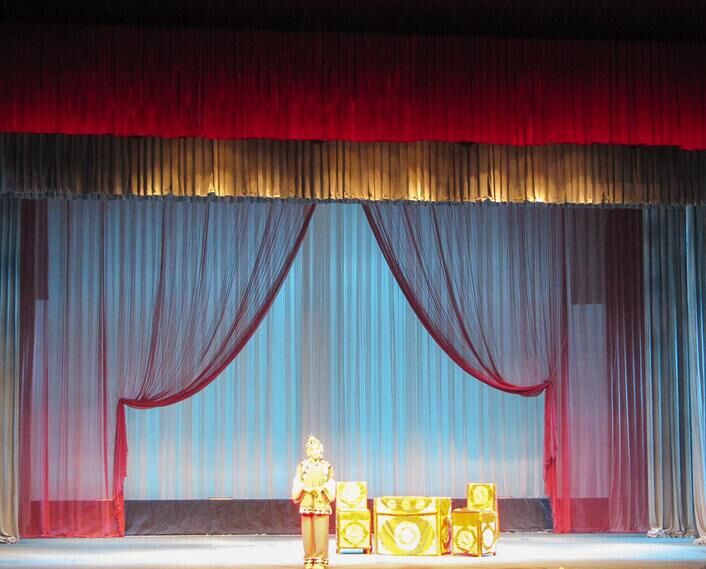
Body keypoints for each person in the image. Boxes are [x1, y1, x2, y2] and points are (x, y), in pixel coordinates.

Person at [291, 434, 336, 569]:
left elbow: (331, 482)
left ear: (321, 450)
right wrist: (306, 488)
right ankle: (309, 558)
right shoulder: (302, 466)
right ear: (308, 451)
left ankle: (320, 560)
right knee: (307, 532)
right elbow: (298, 481)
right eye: (312, 449)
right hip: (307, 500)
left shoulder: (327, 466)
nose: (315, 451)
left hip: (321, 500)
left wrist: (322, 488)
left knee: (321, 531)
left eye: (317, 449)